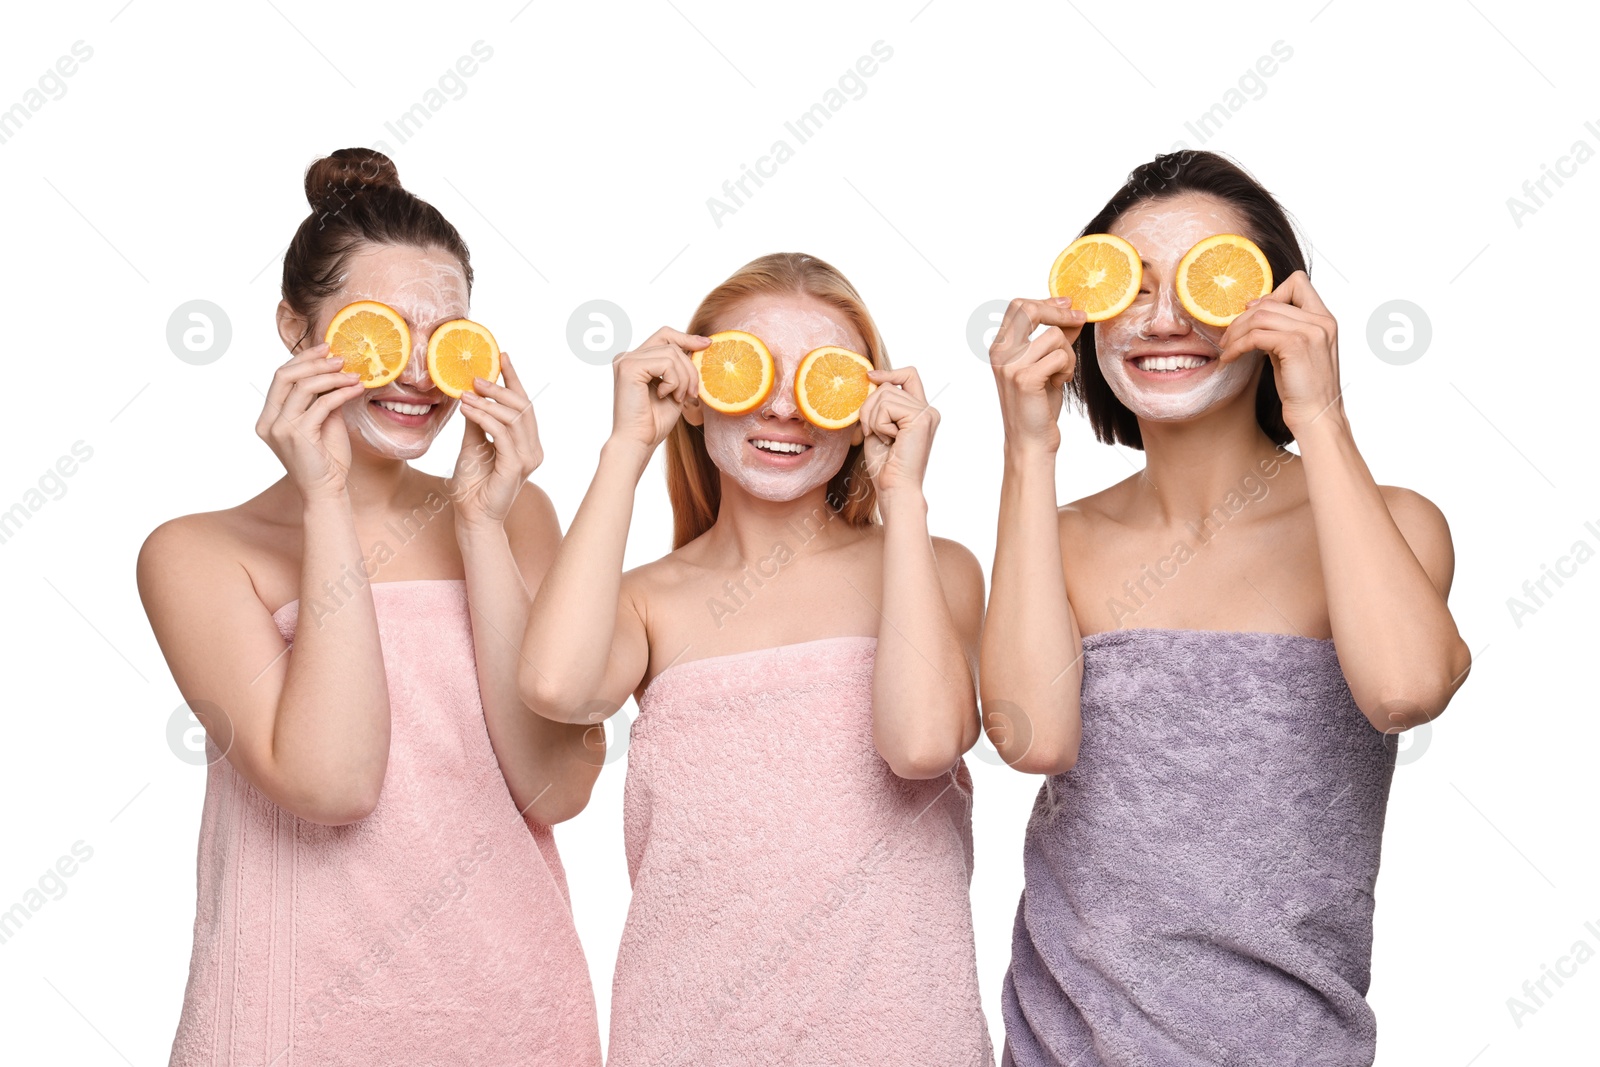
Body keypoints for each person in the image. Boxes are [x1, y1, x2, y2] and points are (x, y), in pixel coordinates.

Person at [983, 150, 1470, 1066]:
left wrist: (1319, 410)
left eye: (1206, 282)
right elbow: (1029, 736)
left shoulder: (1393, 525)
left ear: (1276, 307)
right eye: (1132, 286)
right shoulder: (1061, 538)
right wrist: (1027, 449)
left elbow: (1405, 687)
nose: (1164, 318)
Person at [138, 147, 602, 1066]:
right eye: (379, 330)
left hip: (521, 1019)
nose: (420, 372)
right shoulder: (196, 555)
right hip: (289, 1030)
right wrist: (325, 502)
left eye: (448, 335)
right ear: (294, 326)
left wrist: (479, 524)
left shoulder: (519, 513)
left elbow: (558, 786)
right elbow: (334, 783)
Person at [518, 252, 994, 1065]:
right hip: (691, 1037)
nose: (783, 406)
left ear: (867, 408)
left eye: (823, 380)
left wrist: (903, 495)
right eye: (750, 371)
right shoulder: (648, 601)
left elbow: (921, 744)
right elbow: (556, 684)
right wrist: (627, 446)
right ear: (696, 398)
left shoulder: (933, 567)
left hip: (900, 1036)